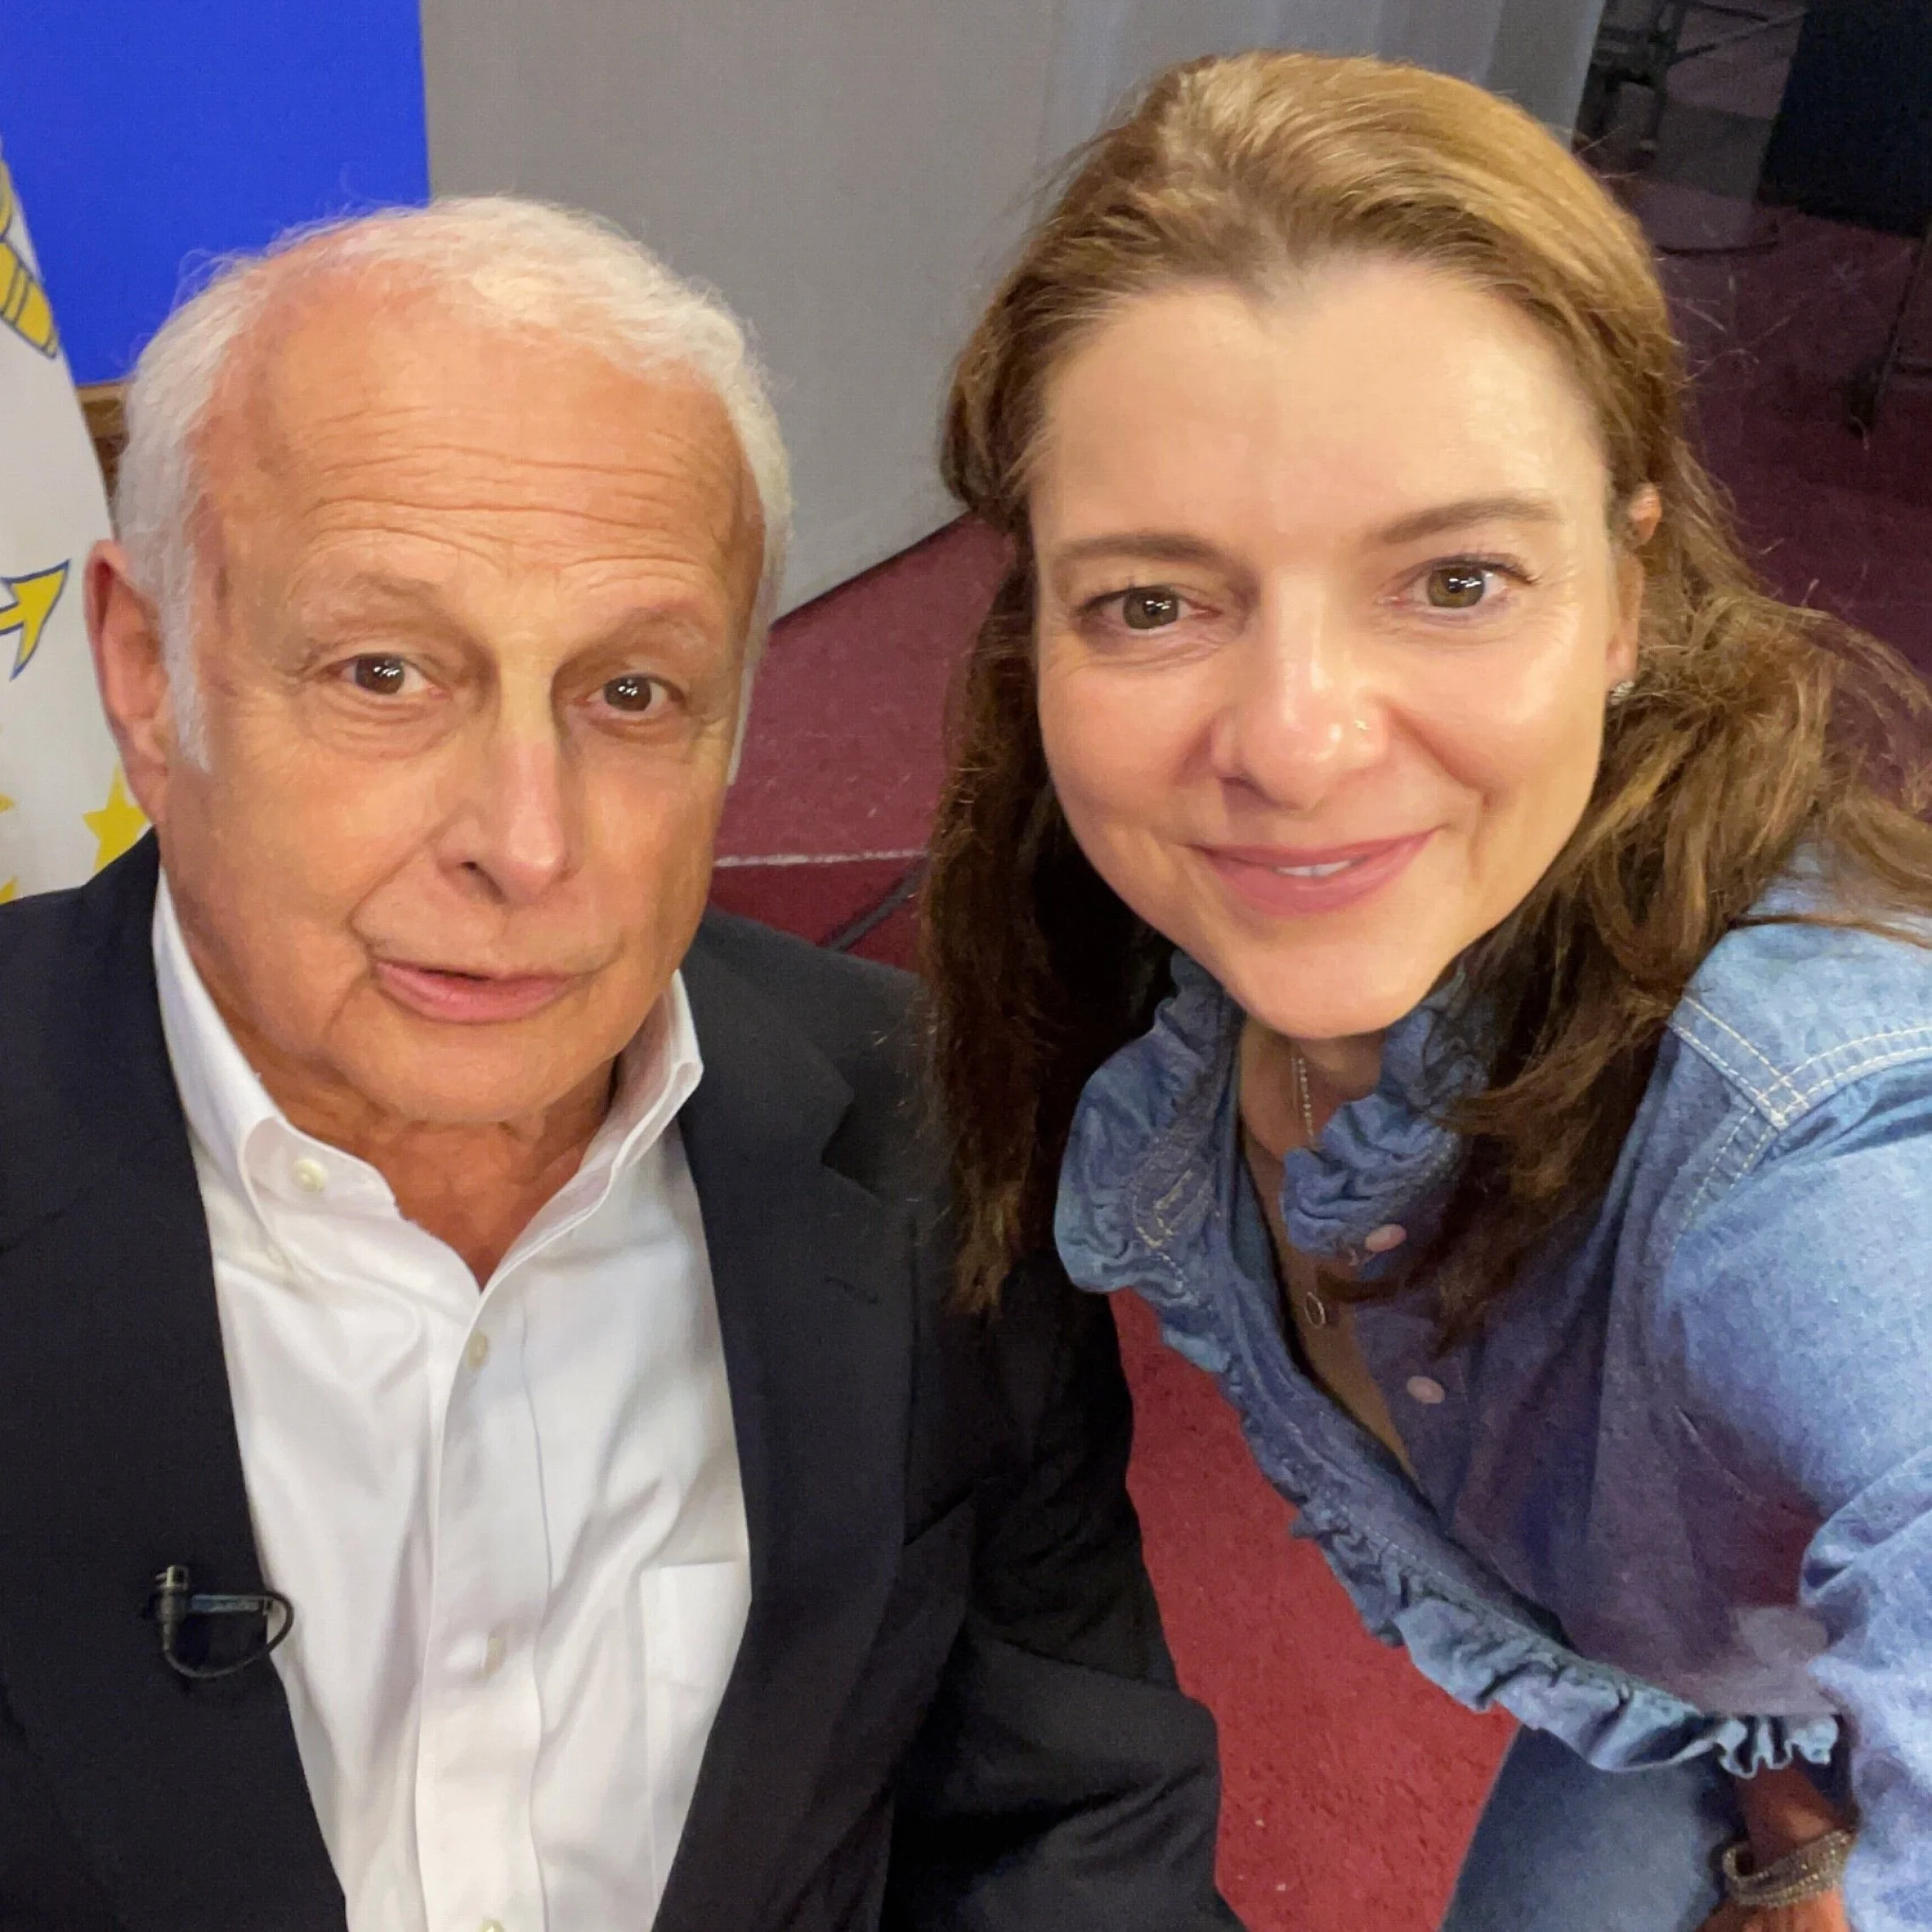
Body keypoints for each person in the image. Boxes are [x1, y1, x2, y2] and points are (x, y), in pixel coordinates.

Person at [0, 198, 1238, 1932]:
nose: (527, 843)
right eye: (383, 671)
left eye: (633, 694)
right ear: (145, 671)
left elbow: (1072, 1822)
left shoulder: (934, 1129)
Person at [922, 49, 1932, 1932]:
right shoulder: (1140, 972)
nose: (1295, 745)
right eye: (1153, 602)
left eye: (1456, 581)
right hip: (1700, 1707)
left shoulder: (1805, 1134)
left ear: (1630, 599)